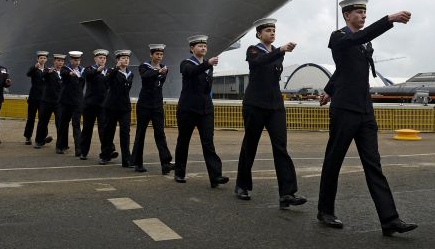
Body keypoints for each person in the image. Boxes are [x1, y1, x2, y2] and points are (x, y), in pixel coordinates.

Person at [317, 0, 417, 237]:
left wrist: (328, 90)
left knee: (374, 164)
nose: (363, 16)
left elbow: (345, 70)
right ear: (346, 15)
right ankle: (325, 210)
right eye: (359, 12)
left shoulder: (364, 42)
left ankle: (390, 220)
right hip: (344, 110)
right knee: (334, 161)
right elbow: (353, 41)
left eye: (365, 12)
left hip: (364, 110)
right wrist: (388, 19)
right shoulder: (338, 36)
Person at [234, 18, 307, 209]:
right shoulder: (253, 50)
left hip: (275, 106)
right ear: (259, 34)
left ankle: (287, 193)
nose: (272, 33)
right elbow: (259, 62)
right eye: (268, 30)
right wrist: (280, 50)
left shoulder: (277, 53)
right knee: (250, 145)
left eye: (274, 30)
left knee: (281, 147)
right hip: (255, 104)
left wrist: (279, 51)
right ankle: (242, 185)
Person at [174, 35, 228, 188]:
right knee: (183, 141)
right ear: (192, 48)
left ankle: (215, 176)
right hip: (187, 109)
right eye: (199, 46)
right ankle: (179, 172)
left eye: (205, 46)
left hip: (205, 110)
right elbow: (191, 72)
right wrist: (208, 64)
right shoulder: (186, 63)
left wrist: (207, 64)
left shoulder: (207, 65)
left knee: (208, 143)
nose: (203, 48)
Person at [130, 44, 175, 174]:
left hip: (157, 105)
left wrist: (159, 72)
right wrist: (157, 72)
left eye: (161, 54)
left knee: (160, 134)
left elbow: (160, 83)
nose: (159, 57)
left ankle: (165, 163)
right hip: (144, 105)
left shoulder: (164, 69)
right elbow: (146, 75)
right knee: (140, 134)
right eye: (157, 54)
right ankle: (138, 163)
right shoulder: (144, 66)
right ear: (151, 55)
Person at [79, 49, 117, 160]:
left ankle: (108, 150)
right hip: (90, 104)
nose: (102, 60)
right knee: (87, 129)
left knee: (104, 129)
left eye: (104, 58)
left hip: (103, 105)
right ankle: (83, 152)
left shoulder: (108, 71)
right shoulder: (89, 69)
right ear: (95, 59)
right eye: (100, 58)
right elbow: (88, 76)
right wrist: (97, 71)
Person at [99, 50, 133, 167]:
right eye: (123, 58)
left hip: (124, 107)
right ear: (118, 60)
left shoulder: (130, 74)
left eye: (127, 58)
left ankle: (126, 159)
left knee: (125, 132)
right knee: (108, 132)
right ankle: (105, 155)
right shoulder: (111, 71)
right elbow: (106, 82)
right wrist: (116, 69)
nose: (126, 60)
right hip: (111, 107)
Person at [34, 54, 65, 149]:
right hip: (47, 101)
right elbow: (41, 76)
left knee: (60, 123)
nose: (60, 63)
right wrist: (48, 73)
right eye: (58, 61)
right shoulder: (48, 71)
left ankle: (60, 145)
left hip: (59, 103)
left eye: (62, 61)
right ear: (54, 61)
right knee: (43, 122)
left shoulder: (66, 72)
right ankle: (39, 141)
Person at [57, 51, 85, 154]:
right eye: (74, 60)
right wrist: (70, 73)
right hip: (66, 102)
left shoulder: (83, 70)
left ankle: (78, 148)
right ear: (71, 60)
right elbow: (63, 73)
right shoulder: (65, 68)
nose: (77, 62)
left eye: (78, 60)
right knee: (63, 124)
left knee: (76, 125)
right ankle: (60, 146)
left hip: (77, 102)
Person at [24, 51, 48, 145]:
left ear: (46, 60)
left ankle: (43, 136)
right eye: (41, 58)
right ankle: (28, 137)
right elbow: (28, 74)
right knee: (31, 118)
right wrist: (34, 67)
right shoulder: (34, 68)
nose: (42, 60)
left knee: (43, 118)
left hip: (44, 98)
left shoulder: (48, 70)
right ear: (37, 59)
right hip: (34, 97)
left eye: (44, 58)